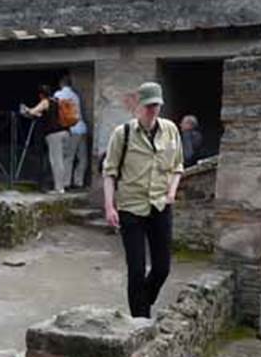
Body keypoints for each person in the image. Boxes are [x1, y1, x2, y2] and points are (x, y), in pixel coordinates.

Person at [101, 82, 184, 318]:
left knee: (162, 268)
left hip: (160, 206)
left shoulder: (170, 130)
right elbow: (109, 172)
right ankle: (140, 321)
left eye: (156, 105)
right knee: (136, 270)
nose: (152, 110)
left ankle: (142, 303)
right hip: (131, 209)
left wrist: (172, 193)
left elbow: (178, 166)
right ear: (139, 106)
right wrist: (109, 207)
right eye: (148, 106)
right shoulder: (123, 134)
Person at [20, 84, 70, 193]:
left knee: (56, 161)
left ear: (41, 95)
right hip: (65, 132)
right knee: (63, 160)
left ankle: (59, 188)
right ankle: (64, 184)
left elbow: (33, 111)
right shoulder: (57, 100)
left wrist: (25, 109)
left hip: (54, 134)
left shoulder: (45, 102)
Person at [56, 74, 88, 189]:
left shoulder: (58, 95)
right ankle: (79, 182)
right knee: (82, 157)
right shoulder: (75, 96)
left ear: (61, 84)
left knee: (69, 157)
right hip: (82, 128)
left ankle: (66, 182)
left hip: (71, 129)